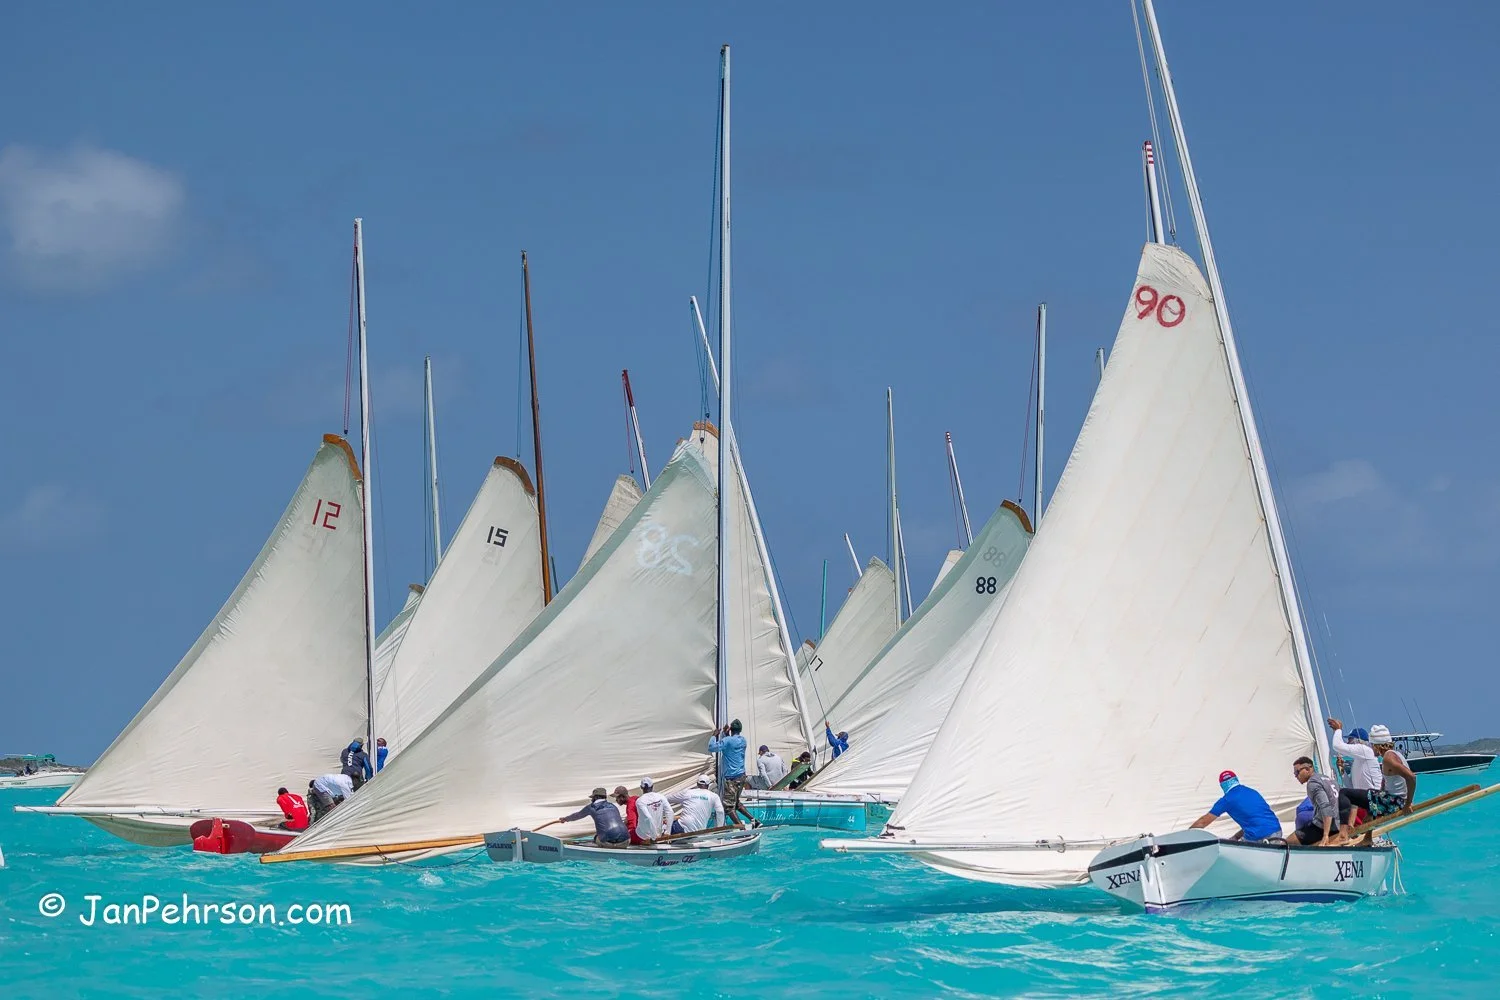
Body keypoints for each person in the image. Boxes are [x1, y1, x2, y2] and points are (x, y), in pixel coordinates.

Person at [1337, 725, 1417, 828]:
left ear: (1376, 745)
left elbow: (1411, 777)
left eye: (1371, 744)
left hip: (1394, 802)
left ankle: (1343, 833)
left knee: (1344, 793)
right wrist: (1371, 811)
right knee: (1371, 800)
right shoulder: (1395, 754)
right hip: (1394, 800)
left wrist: (1408, 804)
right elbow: (1385, 785)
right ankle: (1368, 839)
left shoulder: (1388, 757)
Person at [1189, 770, 1283, 843]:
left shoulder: (1226, 800)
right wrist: (1236, 837)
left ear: (1222, 785)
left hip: (1258, 837)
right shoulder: (1252, 792)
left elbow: (1203, 822)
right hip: (1276, 832)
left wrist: (1186, 835)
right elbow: (1254, 820)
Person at [709, 720, 759, 828]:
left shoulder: (727, 741)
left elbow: (712, 748)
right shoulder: (743, 740)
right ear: (740, 730)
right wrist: (726, 735)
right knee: (736, 803)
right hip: (742, 776)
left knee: (728, 807)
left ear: (731, 729)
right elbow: (731, 744)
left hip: (732, 778)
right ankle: (755, 820)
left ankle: (741, 828)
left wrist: (714, 736)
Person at [557, 788, 630, 847]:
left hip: (608, 843)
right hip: (626, 841)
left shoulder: (591, 807)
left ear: (596, 797)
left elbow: (577, 815)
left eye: (592, 798)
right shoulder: (613, 806)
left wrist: (565, 819)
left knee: (596, 838)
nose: (591, 800)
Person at [1290, 757, 1340, 845]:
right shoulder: (1328, 779)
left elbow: (1326, 807)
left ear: (1308, 769)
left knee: (1285, 843)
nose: (1296, 776)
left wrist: (1325, 835)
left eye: (1297, 772)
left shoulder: (1312, 783)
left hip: (1323, 829)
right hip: (1338, 825)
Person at [1328, 718, 1383, 793]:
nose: (1347, 743)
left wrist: (1338, 729)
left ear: (1357, 741)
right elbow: (1351, 786)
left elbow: (1337, 746)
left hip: (1376, 798)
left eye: (1350, 739)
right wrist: (1342, 770)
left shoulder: (1365, 751)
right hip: (1367, 800)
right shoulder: (1358, 760)